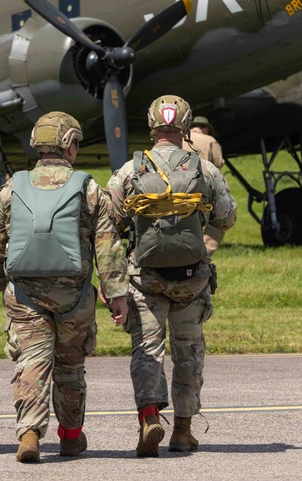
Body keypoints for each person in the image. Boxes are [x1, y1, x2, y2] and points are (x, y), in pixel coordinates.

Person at [0, 111, 128, 463]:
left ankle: (30, 434)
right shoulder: (89, 188)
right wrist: (115, 293)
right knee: (70, 367)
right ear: (68, 146)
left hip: (24, 294)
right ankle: (70, 437)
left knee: (31, 361)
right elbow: (107, 245)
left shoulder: (13, 187)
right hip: (74, 296)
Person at [108, 96, 237, 457]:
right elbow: (227, 217)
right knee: (189, 353)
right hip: (191, 280)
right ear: (185, 127)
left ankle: (149, 416)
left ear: (152, 127)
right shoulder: (205, 170)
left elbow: (110, 221)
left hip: (145, 279)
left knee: (148, 350)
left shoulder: (129, 171)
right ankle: (183, 431)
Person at [185, 115, 227, 256]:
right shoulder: (210, 140)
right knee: (222, 215)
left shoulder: (179, 138)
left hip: (175, 190)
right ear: (206, 129)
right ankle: (204, 252)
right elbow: (218, 165)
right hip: (201, 189)